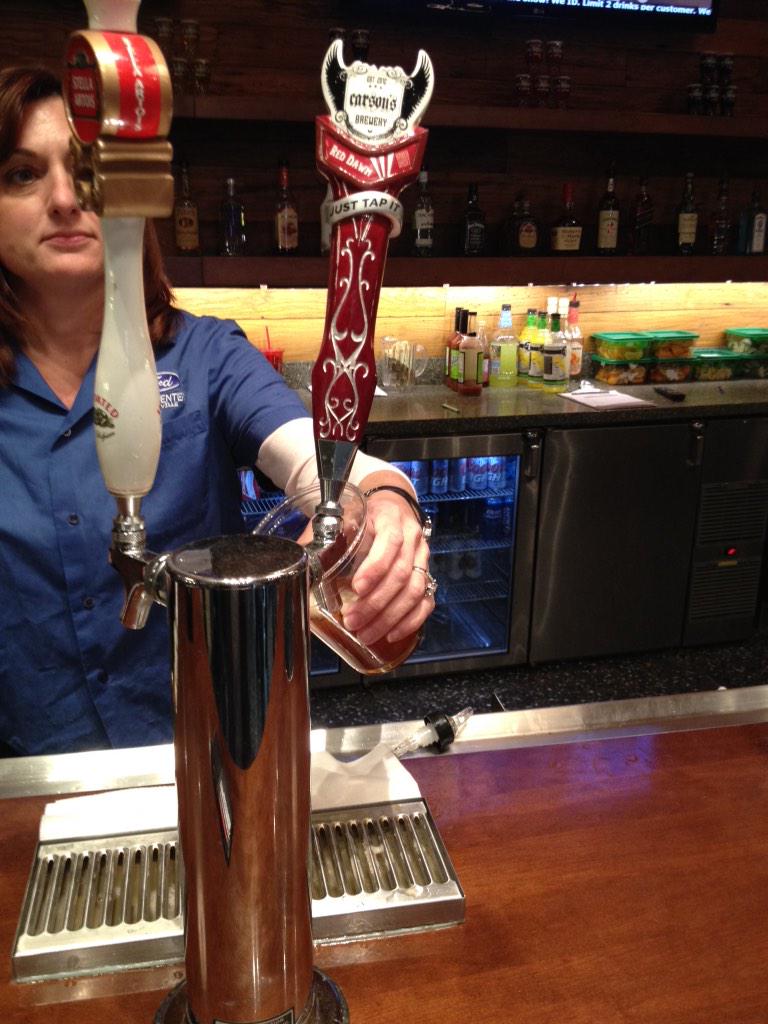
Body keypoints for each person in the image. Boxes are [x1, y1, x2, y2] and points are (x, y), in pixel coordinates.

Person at [0, 66, 434, 756]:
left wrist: (384, 502)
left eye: (88, 172)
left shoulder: (205, 354)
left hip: (211, 754)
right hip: (30, 777)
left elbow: (309, 455)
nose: (62, 199)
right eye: (23, 174)